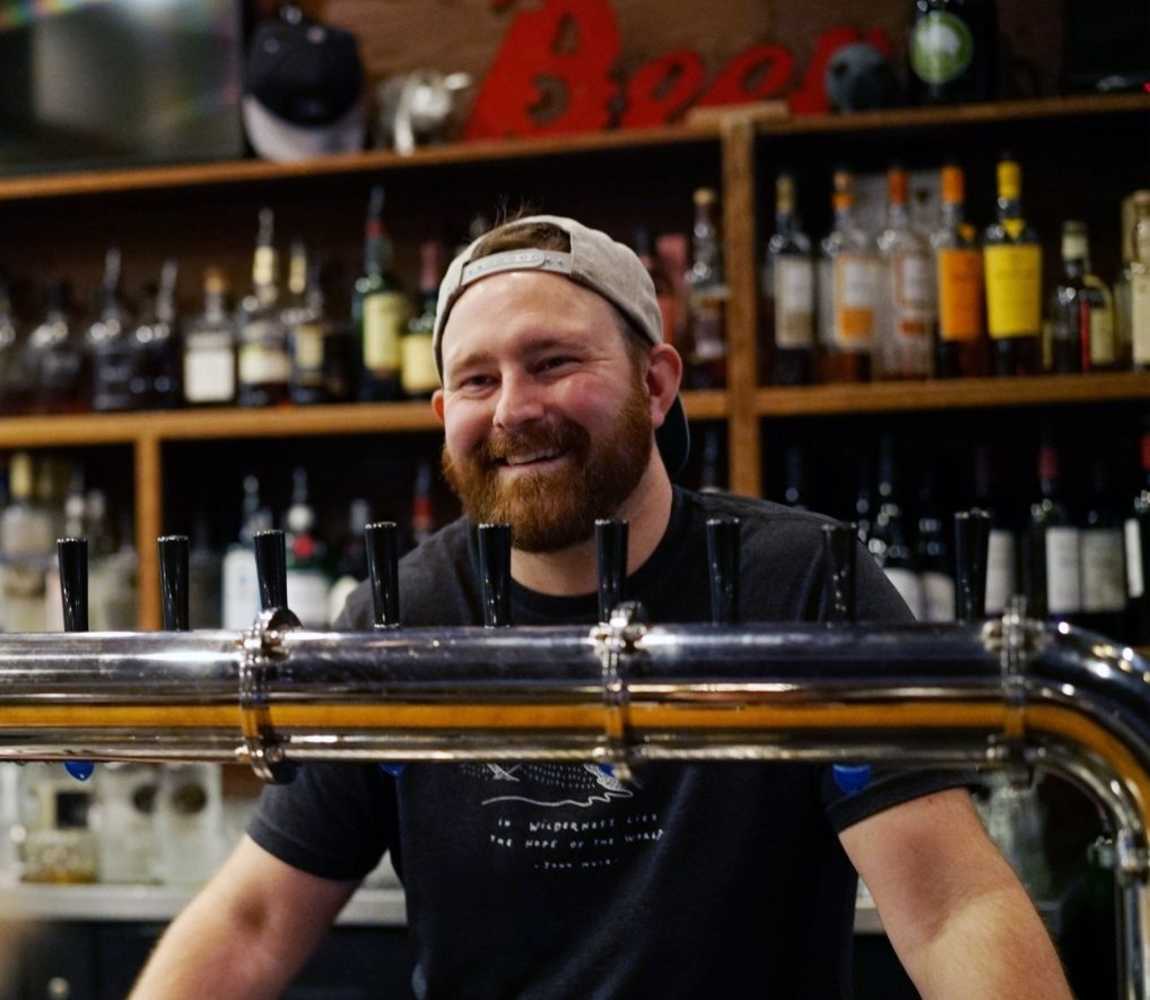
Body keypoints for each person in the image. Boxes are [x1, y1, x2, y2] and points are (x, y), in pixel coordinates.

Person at [132, 216, 1072, 998]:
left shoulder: (801, 582)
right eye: (478, 380)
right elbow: (253, 921)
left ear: (657, 384)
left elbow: (950, 905)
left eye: (552, 362)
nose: (513, 409)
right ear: (442, 415)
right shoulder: (401, 611)